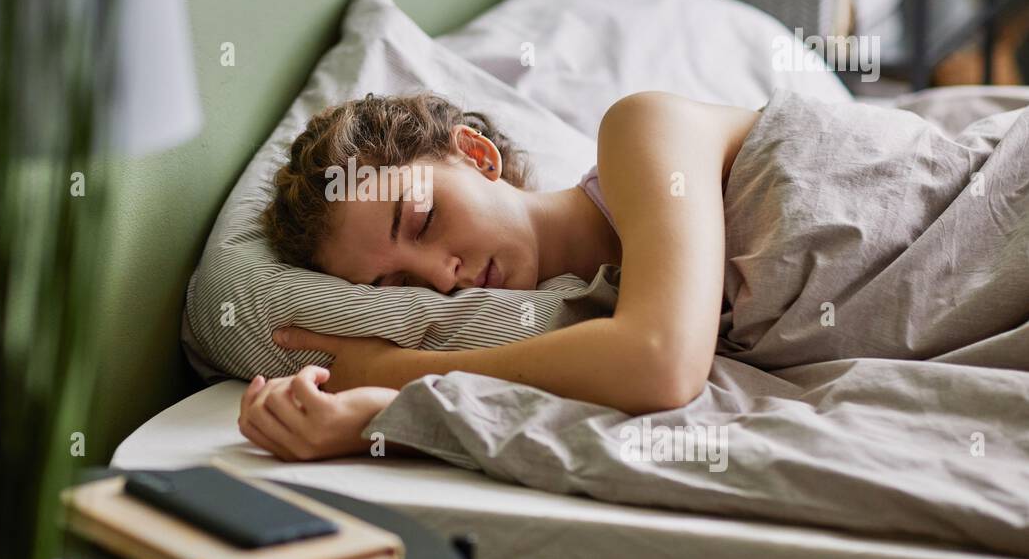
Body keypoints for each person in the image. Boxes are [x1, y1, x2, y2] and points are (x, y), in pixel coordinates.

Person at [239, 90, 760, 461]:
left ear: (475, 154)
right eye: (398, 286)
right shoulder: (589, 321)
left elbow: (659, 363)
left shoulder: (643, 128)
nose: (442, 280)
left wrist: (386, 373)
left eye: (422, 221)